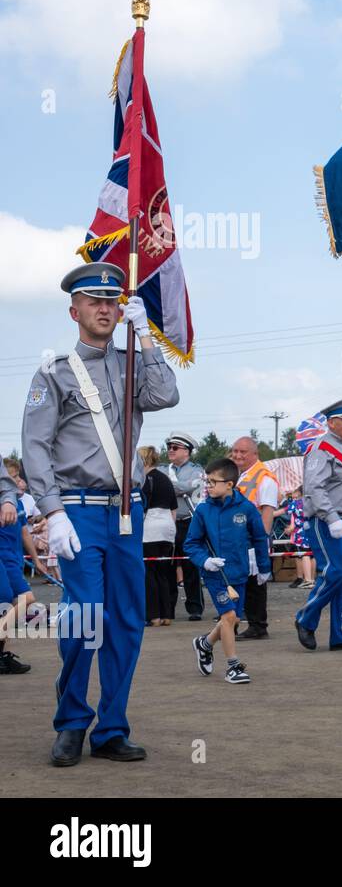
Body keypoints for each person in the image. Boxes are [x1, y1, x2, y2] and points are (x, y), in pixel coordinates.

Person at [21, 261, 180, 766]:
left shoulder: (132, 363)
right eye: (95, 301)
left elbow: (165, 395)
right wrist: (53, 511)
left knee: (127, 622)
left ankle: (111, 727)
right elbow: (35, 448)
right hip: (80, 512)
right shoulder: (54, 372)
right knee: (85, 619)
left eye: (112, 301)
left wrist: (148, 339)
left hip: (126, 514)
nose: (105, 308)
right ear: (76, 311)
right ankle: (71, 721)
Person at [294, 399, 342, 652]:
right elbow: (314, 487)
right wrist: (332, 517)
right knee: (335, 572)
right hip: (330, 521)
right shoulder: (322, 448)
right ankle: (305, 618)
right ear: (331, 423)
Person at [185, 458, 270, 685]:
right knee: (229, 616)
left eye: (214, 481)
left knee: (232, 620)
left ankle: (205, 643)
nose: (209, 485)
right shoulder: (203, 510)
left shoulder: (246, 508)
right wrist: (205, 561)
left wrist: (264, 568)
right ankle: (233, 666)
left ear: (230, 484)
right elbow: (191, 544)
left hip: (239, 573)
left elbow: (260, 538)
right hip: (215, 575)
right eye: (207, 481)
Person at [230, 436, 278, 640]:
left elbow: (267, 511)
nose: (238, 455)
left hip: (254, 538)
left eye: (243, 452)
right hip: (241, 538)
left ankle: (258, 625)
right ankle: (248, 622)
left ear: (255, 454)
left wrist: (263, 540)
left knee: (255, 582)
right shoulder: (241, 475)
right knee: (245, 580)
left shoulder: (264, 477)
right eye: (235, 451)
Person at [163, 432, 205, 621]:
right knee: (168, 567)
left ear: (186, 451)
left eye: (175, 448)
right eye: (169, 447)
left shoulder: (197, 470)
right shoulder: (164, 469)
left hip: (188, 522)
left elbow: (188, 488)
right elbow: (177, 488)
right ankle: (168, 609)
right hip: (168, 523)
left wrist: (172, 487)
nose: (170, 451)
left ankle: (195, 608)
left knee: (191, 567)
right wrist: (177, 487)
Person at [139, 446, 178, 627]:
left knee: (149, 573)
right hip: (168, 528)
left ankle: (153, 615)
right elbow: (174, 507)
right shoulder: (166, 479)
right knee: (164, 574)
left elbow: (142, 508)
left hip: (150, 529)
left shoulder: (145, 480)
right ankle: (167, 614)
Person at [0, 470, 32, 674]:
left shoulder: (15, 503)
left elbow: (23, 532)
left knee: (14, 603)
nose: (19, 482)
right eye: (15, 478)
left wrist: (36, 560)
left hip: (12, 558)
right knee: (13, 600)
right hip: (4, 555)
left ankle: (1, 656)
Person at [282, 489, 315, 590]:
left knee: (301, 555)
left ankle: (305, 579)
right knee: (312, 556)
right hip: (311, 531)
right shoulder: (312, 502)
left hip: (299, 534)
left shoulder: (295, 504)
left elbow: (290, 521)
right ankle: (311, 579)